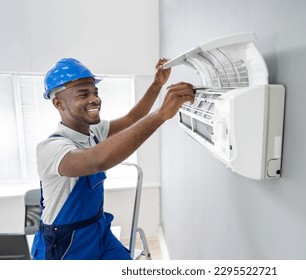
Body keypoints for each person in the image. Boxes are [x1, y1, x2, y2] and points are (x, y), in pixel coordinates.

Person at [31, 57, 194, 260]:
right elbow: (96, 160)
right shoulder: (51, 148)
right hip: (64, 244)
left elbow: (132, 119)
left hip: (98, 230)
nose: (94, 99)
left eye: (95, 92)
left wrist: (156, 85)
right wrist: (160, 114)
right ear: (59, 103)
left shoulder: (95, 131)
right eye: (83, 94)